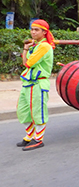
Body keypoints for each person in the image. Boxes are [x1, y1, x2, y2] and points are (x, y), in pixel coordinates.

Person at [16, 19, 55, 151]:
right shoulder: (36, 46)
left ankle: (38, 139)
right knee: (23, 111)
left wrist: (27, 50)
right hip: (28, 82)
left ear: (44, 32)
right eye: (32, 29)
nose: (33, 32)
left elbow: (28, 63)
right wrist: (26, 48)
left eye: (36, 30)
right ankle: (29, 135)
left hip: (38, 83)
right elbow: (25, 62)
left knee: (38, 112)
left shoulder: (44, 46)